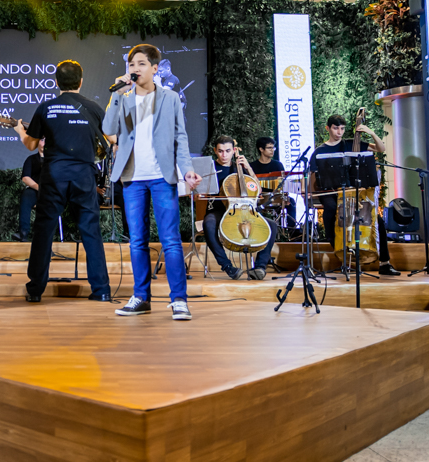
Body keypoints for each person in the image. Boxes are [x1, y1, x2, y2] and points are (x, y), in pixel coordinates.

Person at [103, 43, 201, 320]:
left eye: (141, 64)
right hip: (132, 178)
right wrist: (117, 96)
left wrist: (187, 170)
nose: (134, 69)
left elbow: (180, 137)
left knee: (170, 240)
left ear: (155, 68)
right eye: (131, 65)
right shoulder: (123, 97)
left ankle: (179, 300)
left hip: (162, 177)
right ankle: (141, 297)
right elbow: (108, 129)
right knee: (137, 241)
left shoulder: (169, 98)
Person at [11, 60, 112, 303]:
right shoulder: (94, 108)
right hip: (84, 175)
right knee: (91, 231)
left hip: (54, 174)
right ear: (81, 81)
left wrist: (20, 131)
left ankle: (35, 290)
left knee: (44, 231)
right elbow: (111, 140)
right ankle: (101, 291)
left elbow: (32, 145)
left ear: (56, 82)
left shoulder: (46, 107)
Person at [309, 114, 400, 276]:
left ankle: (385, 262)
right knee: (330, 210)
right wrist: (310, 194)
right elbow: (313, 179)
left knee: (376, 219)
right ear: (328, 128)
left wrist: (370, 132)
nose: (339, 132)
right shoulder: (319, 152)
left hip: (353, 191)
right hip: (331, 191)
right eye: (336, 128)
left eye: (342, 129)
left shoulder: (352, 144)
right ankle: (340, 252)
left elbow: (381, 148)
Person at [203, 136, 277, 280]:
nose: (224, 155)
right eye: (220, 151)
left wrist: (248, 168)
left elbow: (258, 190)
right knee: (209, 223)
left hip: (244, 210)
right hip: (219, 210)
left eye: (228, 151)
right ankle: (228, 267)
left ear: (234, 151)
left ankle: (260, 267)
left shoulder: (241, 169)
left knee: (272, 225)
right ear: (215, 151)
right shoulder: (210, 169)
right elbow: (200, 192)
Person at [249, 136, 295, 228]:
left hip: (276, 196)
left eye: (273, 147)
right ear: (261, 149)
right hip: (259, 198)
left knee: (291, 202)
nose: (272, 150)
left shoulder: (277, 165)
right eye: (269, 148)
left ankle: (291, 230)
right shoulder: (252, 166)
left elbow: (282, 183)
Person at [12, 138, 44, 242]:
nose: (45, 143)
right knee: (26, 196)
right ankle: (23, 233)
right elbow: (26, 178)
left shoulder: (55, 160)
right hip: (35, 190)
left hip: (52, 191)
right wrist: (40, 188)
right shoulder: (31, 159)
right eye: (42, 140)